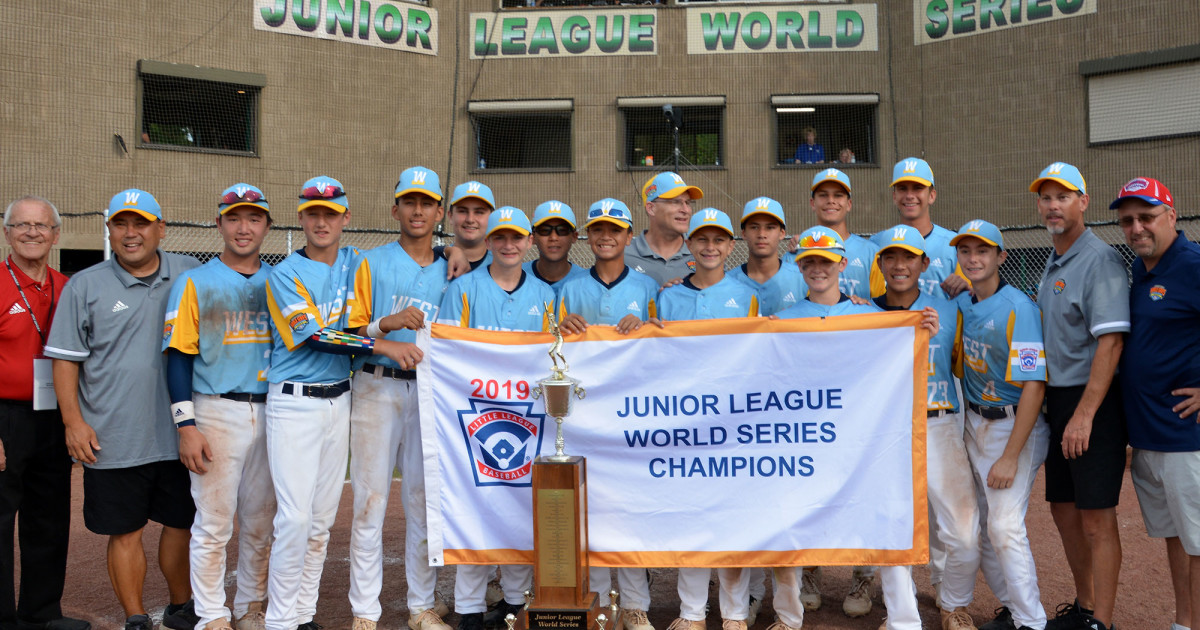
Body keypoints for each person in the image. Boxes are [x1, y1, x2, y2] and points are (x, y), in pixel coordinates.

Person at [44, 189, 202, 630]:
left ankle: (180, 606)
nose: (131, 234)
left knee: (180, 524)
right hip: (113, 435)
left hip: (179, 433)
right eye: (121, 224)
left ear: (161, 228)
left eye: (141, 223)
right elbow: (65, 360)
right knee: (125, 530)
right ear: (110, 229)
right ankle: (135, 616)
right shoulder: (85, 285)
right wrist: (73, 423)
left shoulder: (191, 273)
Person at [262, 176, 414, 630]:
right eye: (313, 212)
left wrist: (457, 255)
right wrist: (384, 344)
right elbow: (315, 336)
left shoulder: (356, 263)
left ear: (346, 217)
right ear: (302, 218)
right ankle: (279, 621)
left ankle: (303, 615)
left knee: (322, 521)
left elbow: (405, 262)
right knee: (293, 518)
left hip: (339, 402)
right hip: (293, 404)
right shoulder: (285, 272)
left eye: (331, 213)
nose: (321, 221)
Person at [162, 184, 276, 630]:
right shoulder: (194, 281)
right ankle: (212, 614)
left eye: (253, 218)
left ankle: (250, 607)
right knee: (212, 524)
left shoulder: (279, 282)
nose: (243, 227)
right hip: (216, 410)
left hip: (272, 411)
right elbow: (177, 357)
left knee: (261, 520)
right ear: (219, 224)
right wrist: (185, 424)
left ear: (267, 226)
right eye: (234, 218)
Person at [346, 167, 454, 630]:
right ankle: (365, 612)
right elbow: (346, 333)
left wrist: (457, 255)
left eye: (426, 202)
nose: (417, 210)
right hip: (375, 384)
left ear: (438, 212)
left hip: (430, 393)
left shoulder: (454, 270)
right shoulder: (368, 263)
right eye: (409, 201)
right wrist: (383, 327)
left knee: (423, 500)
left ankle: (421, 606)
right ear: (395, 209)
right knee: (369, 500)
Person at [438, 207, 552, 630]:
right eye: (500, 238)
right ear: (488, 242)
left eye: (516, 238)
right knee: (476, 502)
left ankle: (514, 601)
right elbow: (447, 353)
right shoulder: (464, 288)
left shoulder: (544, 295)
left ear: (528, 242)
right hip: (473, 413)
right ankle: (468, 604)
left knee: (520, 504)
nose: (508, 245)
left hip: (524, 413)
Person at [1030, 163, 1128, 630]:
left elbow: (1110, 342)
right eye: (1046, 197)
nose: (1053, 205)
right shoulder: (1054, 260)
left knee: (1095, 518)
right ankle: (1085, 607)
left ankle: (1102, 623)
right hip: (1059, 400)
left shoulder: (1099, 259)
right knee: (1063, 510)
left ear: (1083, 202)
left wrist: (1085, 415)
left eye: (1063, 197)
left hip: (1093, 403)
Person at [657, 209, 760, 630]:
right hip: (685, 423)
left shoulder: (747, 293)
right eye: (702, 239)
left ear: (731, 246)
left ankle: (735, 613)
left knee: (734, 518)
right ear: (689, 245)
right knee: (692, 516)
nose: (710, 247)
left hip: (734, 424)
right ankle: (691, 612)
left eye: (718, 239)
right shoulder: (669, 296)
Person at [873, 226, 980, 630]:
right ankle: (901, 617)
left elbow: (964, 368)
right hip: (887, 430)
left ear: (925, 263)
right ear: (879, 263)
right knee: (892, 524)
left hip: (939, 423)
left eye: (908, 258)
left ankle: (953, 603)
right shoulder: (864, 313)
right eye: (891, 258)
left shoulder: (947, 309)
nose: (899, 266)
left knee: (963, 529)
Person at [951, 220, 1049, 630]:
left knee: (1005, 525)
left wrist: (1010, 456)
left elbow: (1034, 386)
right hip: (975, 420)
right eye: (966, 252)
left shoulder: (1018, 308)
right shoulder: (962, 301)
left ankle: (1032, 621)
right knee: (987, 528)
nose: (973, 259)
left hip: (1013, 426)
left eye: (983, 251)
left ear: (1001, 257)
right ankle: (1013, 606)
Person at [1111, 177, 1199, 630]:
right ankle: (1185, 622)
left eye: (1146, 217)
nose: (1137, 227)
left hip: (1188, 436)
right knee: (1178, 540)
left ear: (1172, 216)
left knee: (1198, 543)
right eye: (1127, 221)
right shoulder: (1142, 271)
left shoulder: (1192, 263)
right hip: (1151, 437)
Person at [0, 196, 88, 630]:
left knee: (49, 517)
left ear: (56, 234)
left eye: (41, 225)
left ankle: (40, 614)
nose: (32, 232)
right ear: (7, 233)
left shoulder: (68, 287)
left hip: (54, 414)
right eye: (22, 225)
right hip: (5, 418)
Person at [872, 158, 968, 300]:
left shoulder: (954, 245)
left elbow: (973, 304)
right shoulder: (875, 244)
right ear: (894, 196)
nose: (910, 196)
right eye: (902, 188)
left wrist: (968, 291)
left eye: (918, 188)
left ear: (932, 195)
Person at [727, 196, 807, 316]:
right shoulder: (727, 282)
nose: (762, 234)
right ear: (744, 233)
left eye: (770, 227)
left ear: (782, 233)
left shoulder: (803, 280)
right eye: (754, 227)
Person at [625, 172, 702, 287]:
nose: (686, 210)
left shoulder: (703, 253)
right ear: (651, 208)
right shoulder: (624, 255)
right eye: (676, 202)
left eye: (688, 202)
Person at [523, 200, 587, 296]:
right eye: (545, 230)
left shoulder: (585, 281)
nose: (553, 238)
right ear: (533, 237)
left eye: (562, 230)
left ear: (574, 236)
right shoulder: (517, 276)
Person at [444, 181, 496, 271]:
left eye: (479, 212)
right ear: (451, 216)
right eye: (462, 211)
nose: (470, 219)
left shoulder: (502, 266)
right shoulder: (434, 262)